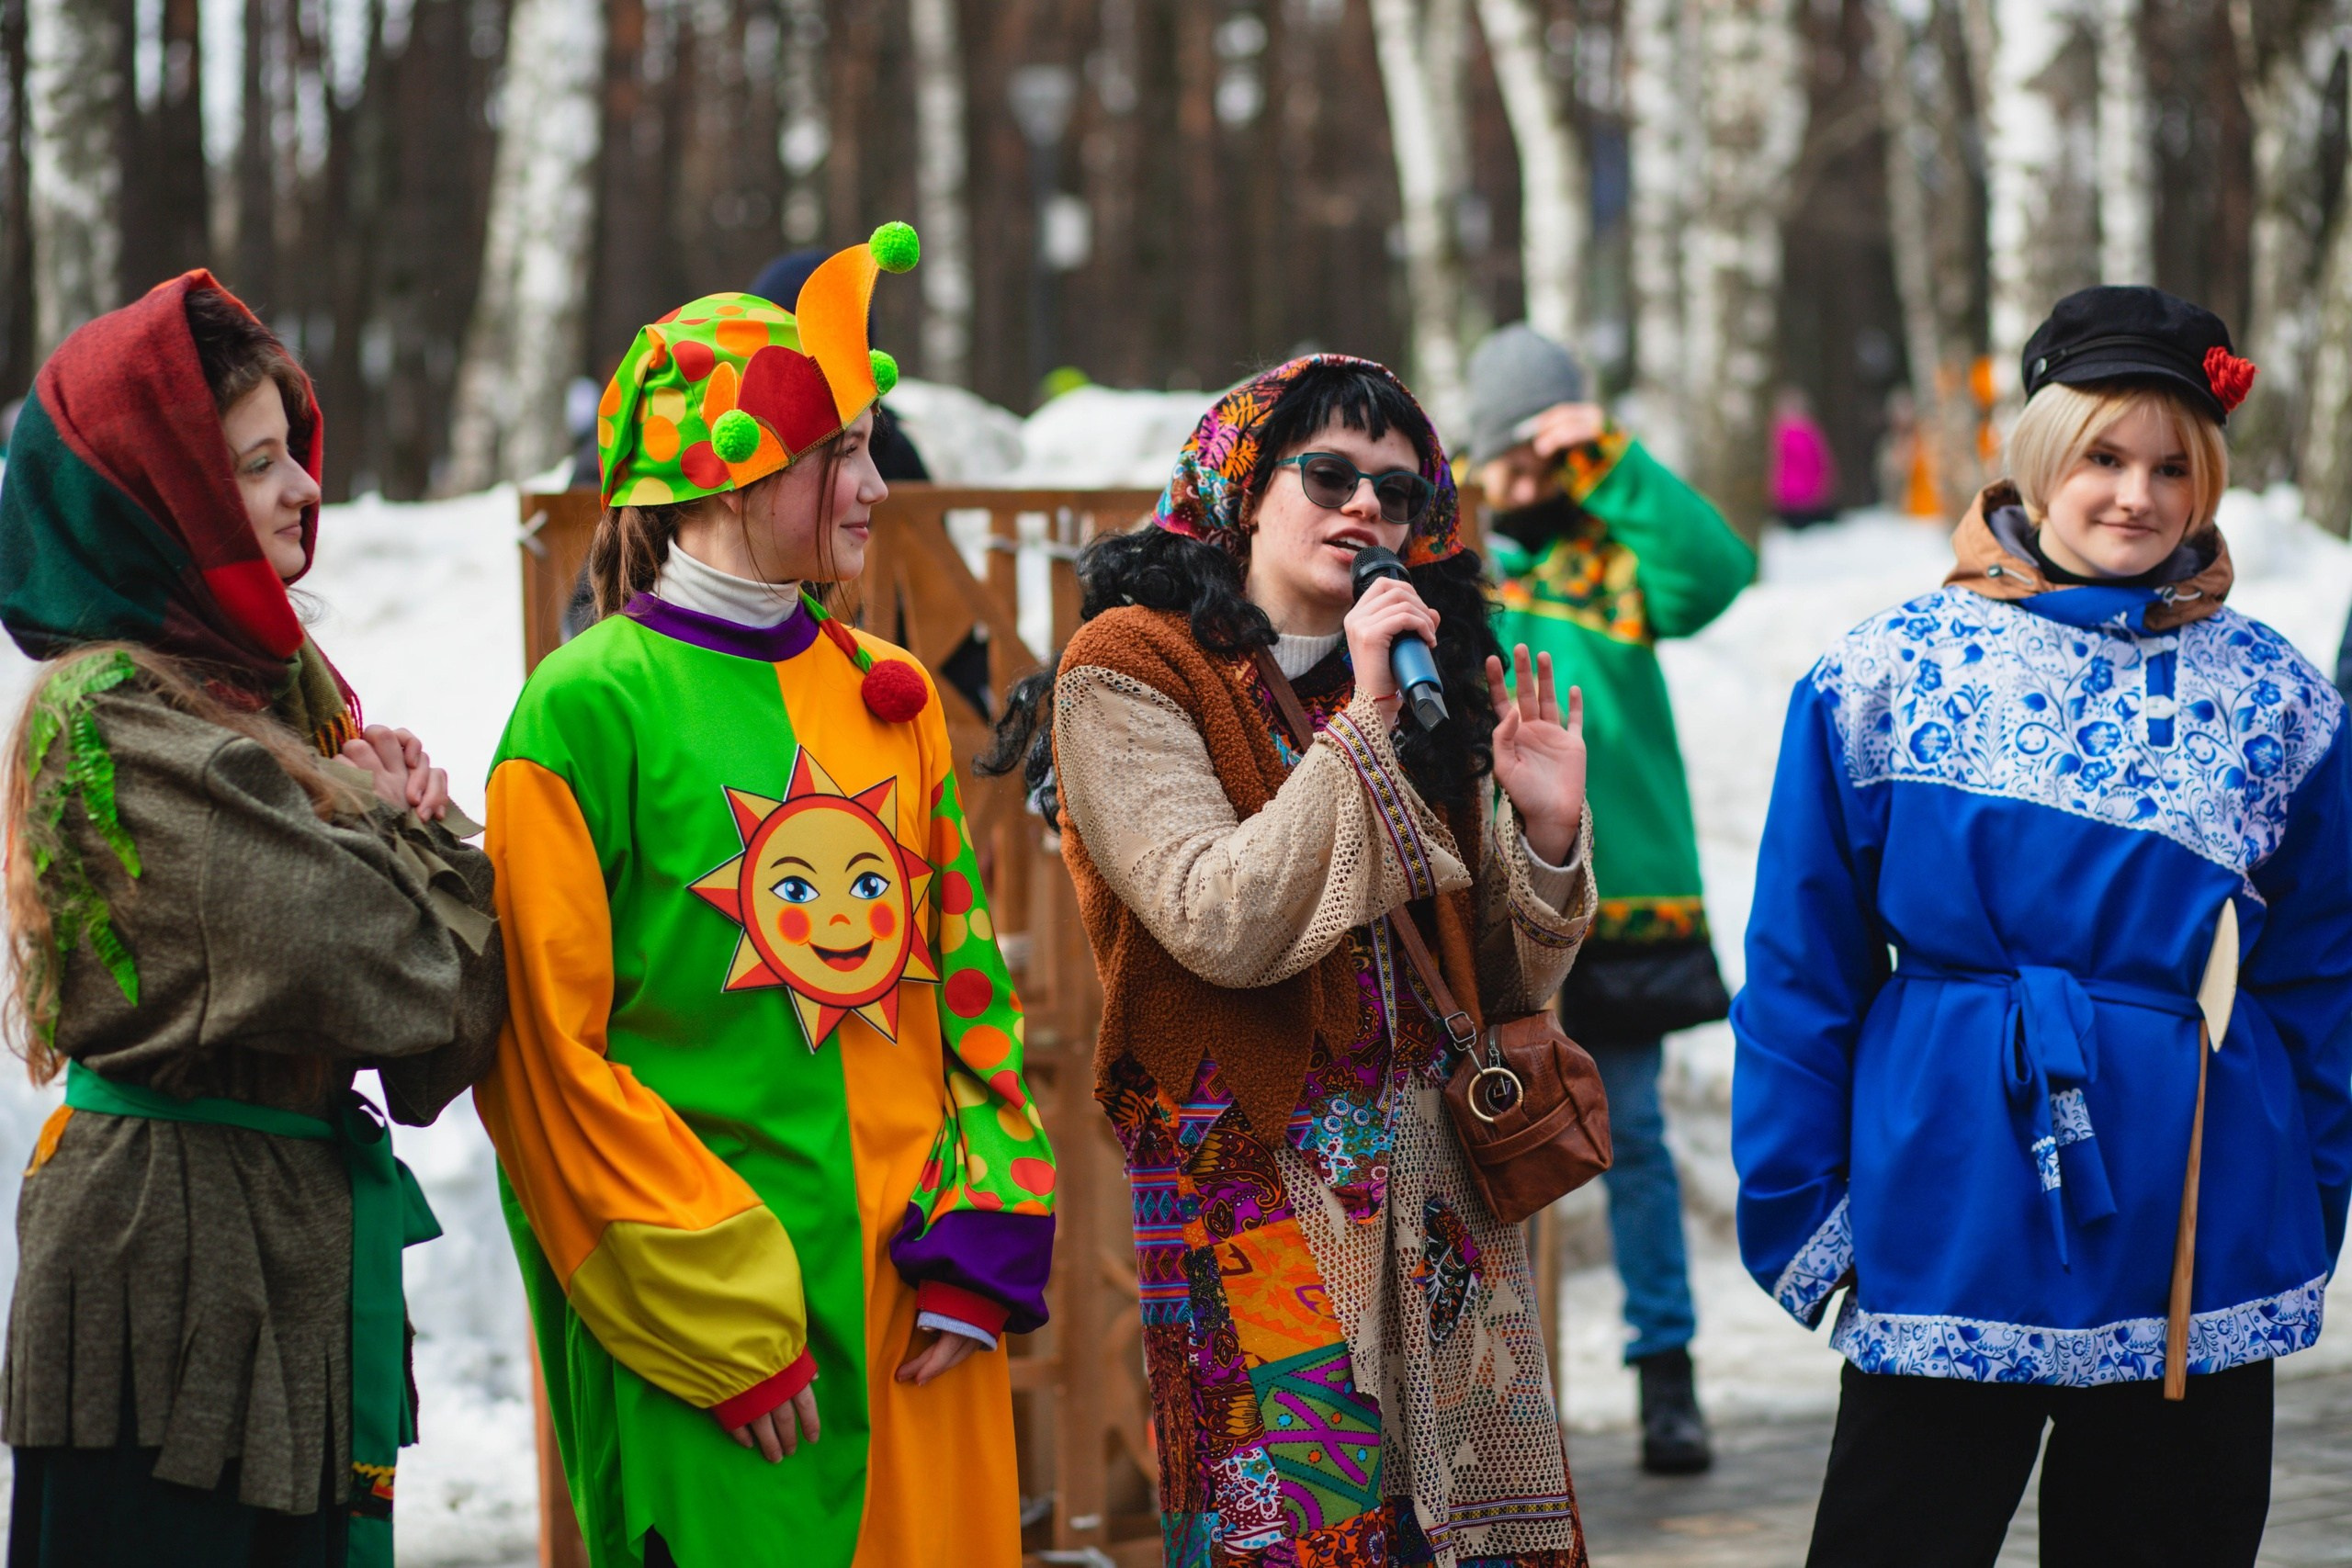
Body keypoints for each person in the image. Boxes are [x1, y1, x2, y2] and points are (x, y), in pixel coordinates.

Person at [1734, 286, 2352, 1566]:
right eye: (2103, 458)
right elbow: (1803, 960)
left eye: (2172, 467)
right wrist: (1799, 1199)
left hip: (2192, 1209)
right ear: (2038, 457)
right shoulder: (1883, 672)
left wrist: (2305, 1185)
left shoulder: (2280, 701)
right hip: (1947, 1190)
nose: (2136, 495)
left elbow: (2324, 970)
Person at [476, 222, 1055, 1568]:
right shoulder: (584, 710)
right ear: (731, 472)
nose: (875, 488)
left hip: (919, 1319)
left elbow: (966, 983)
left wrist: (983, 1226)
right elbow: (546, 1058)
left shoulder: (886, 693)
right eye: (840, 452)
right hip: (725, 1350)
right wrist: (717, 1318)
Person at [988, 354, 1598, 1564]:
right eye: (1328, 474)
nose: (1366, 506)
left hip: (1438, 1192)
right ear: (1243, 490)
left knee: (1479, 1538)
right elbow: (1219, 917)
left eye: (1398, 491)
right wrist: (1364, 727)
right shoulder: (1130, 666)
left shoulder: (1428, 685)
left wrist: (1544, 833)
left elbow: (1499, 985)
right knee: (1300, 1535)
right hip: (1251, 1185)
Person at [0, 271, 503, 1568]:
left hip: (278, 1246)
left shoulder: (265, 691)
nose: (306, 488)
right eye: (256, 463)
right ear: (158, 494)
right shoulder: (117, 718)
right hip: (167, 1276)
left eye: (293, 451)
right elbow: (398, 972)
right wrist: (390, 824)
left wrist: (371, 830)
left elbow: (443, 1036)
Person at [1467, 322, 1754, 1476]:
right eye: (1513, 454)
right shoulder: (1458, 560)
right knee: (1487, 1142)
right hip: (1491, 903)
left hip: (1622, 904)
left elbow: (1714, 576)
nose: (1528, 477)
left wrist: (1608, 459)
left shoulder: (1614, 557)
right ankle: (1498, 1393)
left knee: (1629, 1137)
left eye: (1547, 453)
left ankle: (1664, 1377)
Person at [1767, 386, 1840, 527]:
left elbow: (1820, 463)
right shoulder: (1793, 433)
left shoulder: (1785, 432)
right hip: (1798, 500)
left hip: (1804, 499)